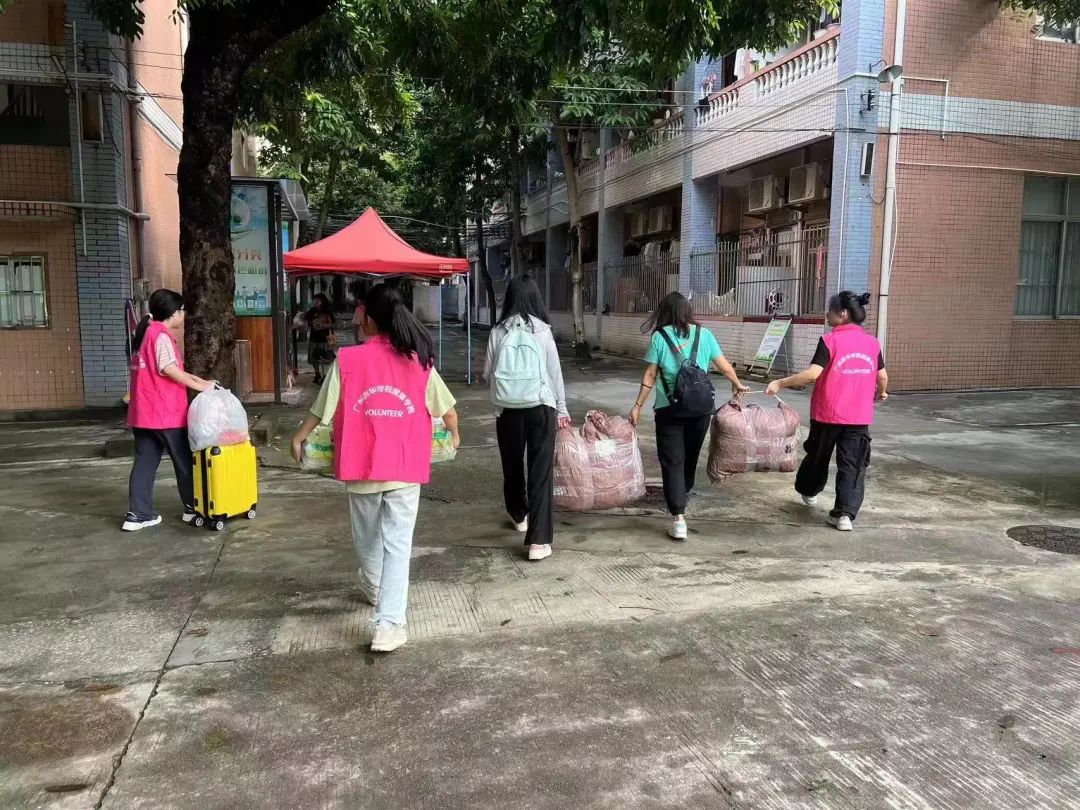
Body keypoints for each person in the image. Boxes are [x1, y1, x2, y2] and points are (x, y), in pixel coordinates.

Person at [291, 283, 460, 653]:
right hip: (404, 466)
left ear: (368, 317)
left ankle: (377, 594)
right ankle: (389, 625)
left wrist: (299, 437)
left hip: (361, 465)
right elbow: (447, 411)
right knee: (398, 546)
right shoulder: (418, 360)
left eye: (360, 312)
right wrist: (454, 435)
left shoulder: (348, 360)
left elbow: (322, 408)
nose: (357, 318)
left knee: (368, 541)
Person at [629, 292, 748, 541]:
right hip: (701, 410)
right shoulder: (705, 335)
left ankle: (678, 517)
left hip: (669, 410)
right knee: (690, 456)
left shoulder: (659, 337)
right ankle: (682, 493)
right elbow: (724, 365)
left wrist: (638, 405)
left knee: (673, 460)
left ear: (665, 312)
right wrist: (737, 384)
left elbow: (650, 375)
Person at [765, 291, 888, 532]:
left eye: (830, 310)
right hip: (858, 418)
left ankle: (809, 491)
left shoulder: (830, 341)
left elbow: (813, 374)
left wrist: (780, 383)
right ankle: (844, 515)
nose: (827, 314)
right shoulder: (872, 344)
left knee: (817, 457)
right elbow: (882, 376)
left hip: (827, 415)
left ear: (843, 313)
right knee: (853, 465)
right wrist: (881, 392)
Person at [485, 274, 569, 562]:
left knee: (512, 466)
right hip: (541, 407)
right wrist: (562, 409)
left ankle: (519, 514)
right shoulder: (543, 330)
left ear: (509, 298)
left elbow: (488, 374)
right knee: (540, 473)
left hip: (507, 410)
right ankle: (538, 542)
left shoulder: (498, 331)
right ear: (535, 298)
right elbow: (554, 374)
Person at [124, 289, 214, 532]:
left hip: (143, 415)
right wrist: (201, 386)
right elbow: (169, 369)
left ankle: (138, 515)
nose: (183, 315)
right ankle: (192, 509)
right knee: (184, 463)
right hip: (166, 414)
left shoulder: (144, 333)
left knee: (144, 464)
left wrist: (202, 382)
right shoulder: (160, 335)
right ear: (173, 313)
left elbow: (171, 369)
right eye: (182, 311)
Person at [305, 293, 336, 384]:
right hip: (314, 338)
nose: (316, 302)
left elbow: (332, 324)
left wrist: (322, 324)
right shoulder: (312, 311)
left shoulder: (328, 311)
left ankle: (326, 375)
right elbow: (307, 320)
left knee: (326, 358)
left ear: (322, 301)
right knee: (314, 357)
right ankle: (317, 373)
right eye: (315, 300)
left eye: (318, 300)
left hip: (325, 338)